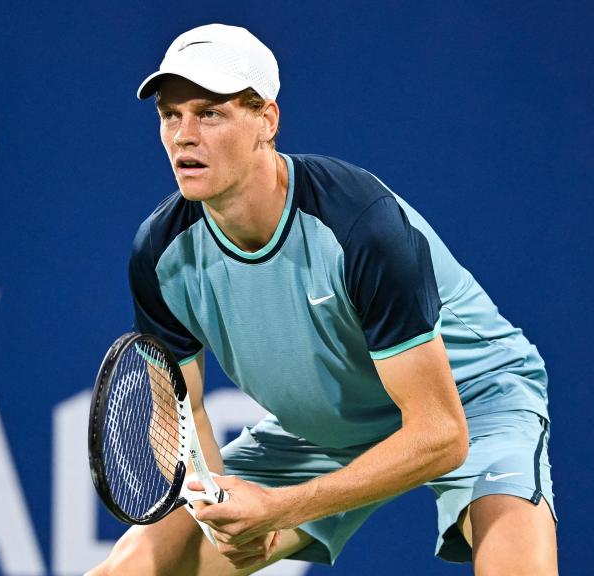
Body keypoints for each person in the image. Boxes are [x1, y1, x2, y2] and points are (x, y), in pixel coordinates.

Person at [88, 23, 557, 576]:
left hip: (469, 399)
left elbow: (442, 435)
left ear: (266, 119)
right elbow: (184, 413)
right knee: (130, 570)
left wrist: (277, 510)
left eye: (209, 113)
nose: (183, 136)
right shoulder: (161, 253)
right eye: (171, 115)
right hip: (325, 426)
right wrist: (219, 513)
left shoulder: (359, 226)